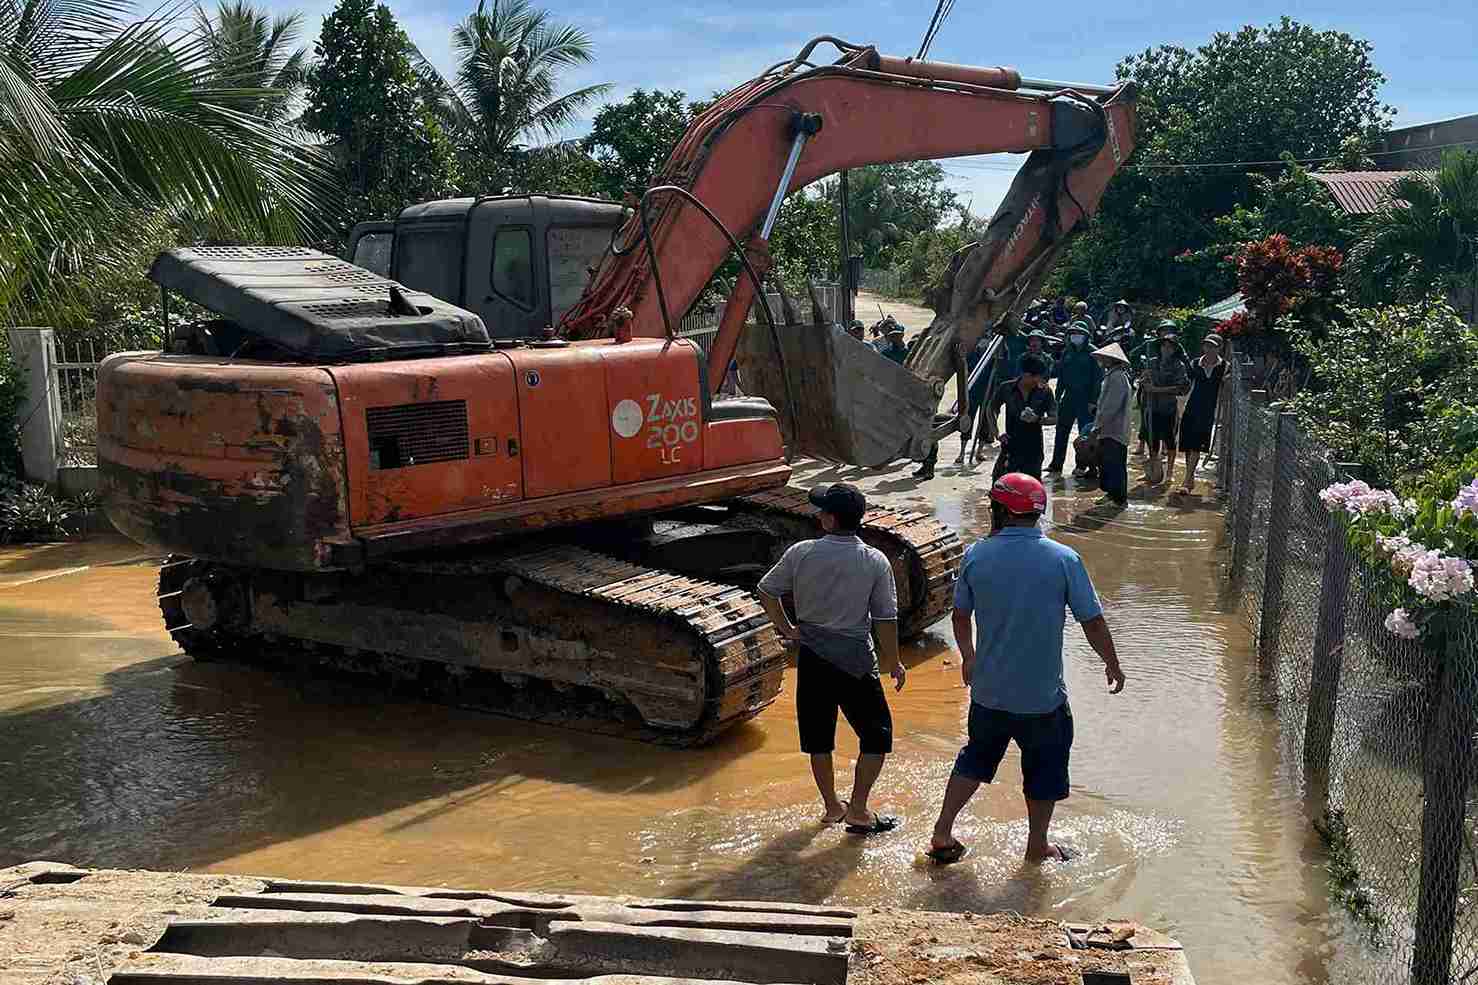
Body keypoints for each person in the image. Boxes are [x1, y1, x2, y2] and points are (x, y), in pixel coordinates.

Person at [925, 473, 1125, 865]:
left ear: (998, 510)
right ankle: (1037, 846)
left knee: (975, 759)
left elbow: (960, 615)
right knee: (1044, 771)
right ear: (1038, 512)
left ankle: (942, 831)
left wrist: (969, 656)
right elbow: (1093, 621)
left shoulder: (976, 555)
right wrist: (1111, 662)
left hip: (989, 692)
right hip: (1042, 698)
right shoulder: (1064, 558)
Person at [757, 483, 906, 835]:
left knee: (818, 738)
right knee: (876, 738)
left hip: (812, 656)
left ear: (830, 519)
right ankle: (858, 809)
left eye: (822, 510)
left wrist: (788, 628)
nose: (818, 514)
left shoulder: (802, 553)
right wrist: (895, 662)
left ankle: (830, 807)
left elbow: (766, 590)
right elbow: (885, 619)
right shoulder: (873, 560)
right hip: (856, 661)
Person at [988, 353, 1056, 480]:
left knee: (1032, 485)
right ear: (1026, 375)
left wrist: (1037, 419)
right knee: (1000, 482)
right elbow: (991, 409)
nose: (1040, 381)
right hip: (1010, 443)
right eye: (1037, 378)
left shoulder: (1045, 391)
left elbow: (1055, 418)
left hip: (1034, 446)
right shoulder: (1006, 388)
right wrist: (997, 433)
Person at [1046, 322, 1102, 477]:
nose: (1075, 336)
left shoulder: (1093, 353)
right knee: (1061, 431)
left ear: (1086, 336)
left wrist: (1093, 401)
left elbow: (1098, 379)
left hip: (1086, 398)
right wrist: (1057, 397)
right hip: (1068, 397)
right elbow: (1061, 377)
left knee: (1085, 435)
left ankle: (1083, 466)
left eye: (1079, 333)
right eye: (1073, 333)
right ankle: (1056, 464)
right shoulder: (1067, 352)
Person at [1140, 321, 1191, 484]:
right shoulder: (1152, 362)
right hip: (1151, 407)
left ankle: (1169, 472)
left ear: (1175, 349)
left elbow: (1182, 388)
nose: (1166, 349)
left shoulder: (1179, 366)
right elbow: (1143, 382)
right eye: (1164, 346)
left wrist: (1157, 390)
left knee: (1169, 441)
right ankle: (1154, 469)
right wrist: (1144, 381)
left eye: (1170, 347)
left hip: (1168, 408)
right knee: (1152, 440)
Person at [1176, 334, 1226, 493]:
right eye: (1206, 345)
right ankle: (1189, 479)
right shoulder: (1195, 363)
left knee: (1197, 445)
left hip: (1208, 411)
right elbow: (1185, 385)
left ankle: (1186, 480)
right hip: (1191, 407)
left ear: (1219, 348)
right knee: (1187, 445)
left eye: (1213, 346)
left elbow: (1226, 386)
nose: (1209, 349)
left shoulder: (1225, 366)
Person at [1085, 341, 1133, 507]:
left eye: (1104, 358)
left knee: (1115, 464)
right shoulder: (1113, 375)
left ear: (1111, 360)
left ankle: (1119, 499)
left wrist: (1096, 428)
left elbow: (1110, 407)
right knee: (1107, 462)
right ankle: (1112, 494)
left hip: (1114, 429)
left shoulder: (1117, 377)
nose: (1102, 361)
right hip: (1111, 429)